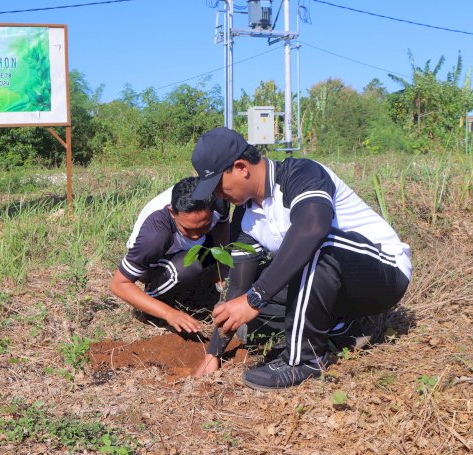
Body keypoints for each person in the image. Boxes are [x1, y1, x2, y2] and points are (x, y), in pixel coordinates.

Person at [190, 127, 411, 389]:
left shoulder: (301, 173)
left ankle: (303, 361)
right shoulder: (244, 217)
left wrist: (255, 298)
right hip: (336, 286)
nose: (217, 196)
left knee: (314, 243)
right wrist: (213, 353)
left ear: (240, 167)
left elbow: (313, 228)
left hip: (382, 273)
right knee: (251, 314)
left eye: (217, 186)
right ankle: (345, 328)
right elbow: (239, 287)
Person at [110, 177, 229, 333]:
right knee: (189, 266)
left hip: (182, 249)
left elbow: (221, 226)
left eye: (204, 226)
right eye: (188, 229)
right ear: (172, 212)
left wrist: (222, 268)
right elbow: (118, 284)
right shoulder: (155, 236)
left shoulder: (219, 199)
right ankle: (153, 298)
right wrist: (168, 313)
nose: (196, 236)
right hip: (153, 261)